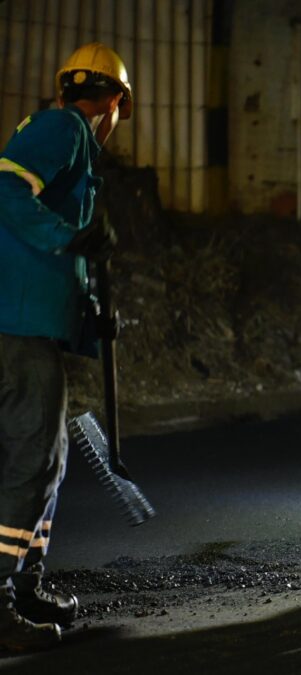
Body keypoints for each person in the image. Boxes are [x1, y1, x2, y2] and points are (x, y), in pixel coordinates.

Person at [0, 42, 131, 651]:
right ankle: (3, 599)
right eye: (117, 109)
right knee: (36, 460)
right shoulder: (68, 127)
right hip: (16, 326)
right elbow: (5, 192)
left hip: (27, 321)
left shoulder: (58, 130)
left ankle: (24, 586)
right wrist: (71, 235)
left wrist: (92, 315)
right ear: (114, 101)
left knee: (42, 458)